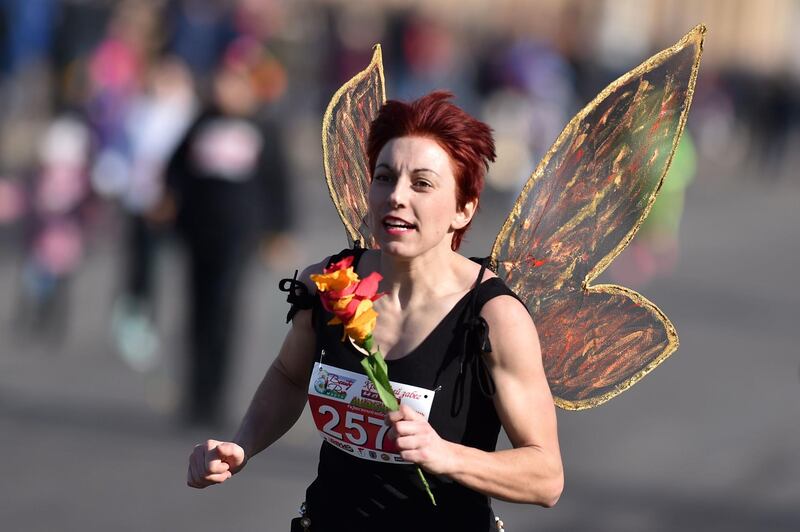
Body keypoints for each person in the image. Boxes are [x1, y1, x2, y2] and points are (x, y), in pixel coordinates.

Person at [187, 92, 562, 530]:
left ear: (463, 209)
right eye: (384, 177)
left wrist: (447, 455)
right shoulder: (328, 285)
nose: (397, 196)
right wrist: (243, 445)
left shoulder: (492, 317)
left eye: (422, 183)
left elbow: (546, 477)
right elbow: (290, 375)